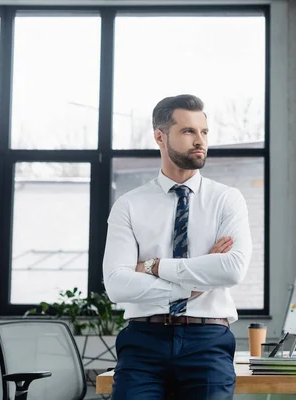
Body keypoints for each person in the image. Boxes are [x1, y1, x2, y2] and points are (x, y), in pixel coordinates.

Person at [102, 94, 252, 400]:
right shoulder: (129, 205)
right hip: (143, 340)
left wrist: (155, 266)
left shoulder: (227, 199)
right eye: (188, 131)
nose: (200, 141)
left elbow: (232, 269)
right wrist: (194, 283)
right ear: (160, 136)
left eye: (204, 132)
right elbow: (117, 285)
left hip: (208, 340)